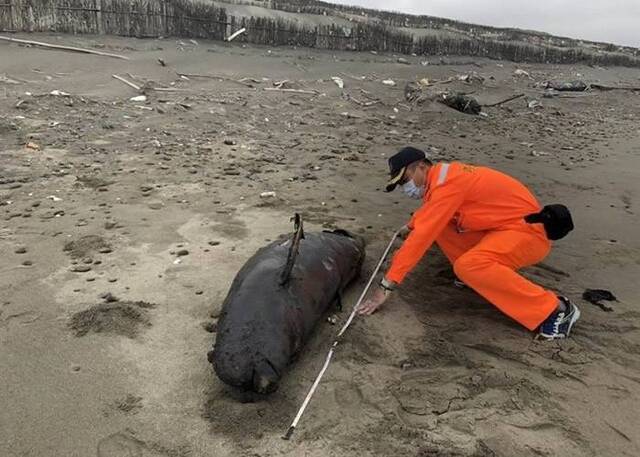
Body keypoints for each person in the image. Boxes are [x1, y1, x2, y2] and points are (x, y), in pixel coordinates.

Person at [358, 146, 580, 339]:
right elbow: (433, 212)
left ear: (422, 167)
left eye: (405, 180)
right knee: (439, 227)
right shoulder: (443, 179)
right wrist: (412, 224)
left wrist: (386, 286)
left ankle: (555, 309)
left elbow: (421, 237)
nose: (405, 187)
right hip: (502, 229)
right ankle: (478, 276)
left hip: (529, 235)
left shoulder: (447, 184)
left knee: (468, 264)